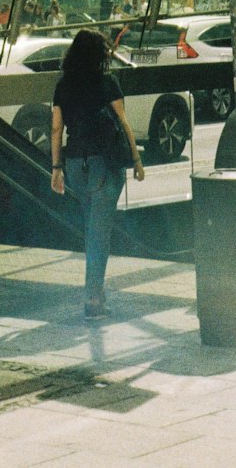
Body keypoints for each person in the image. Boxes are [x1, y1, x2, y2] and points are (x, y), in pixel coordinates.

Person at [50, 28, 145, 319]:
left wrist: (56, 168)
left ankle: (97, 292)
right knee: (99, 234)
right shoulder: (108, 83)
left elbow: (56, 129)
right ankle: (93, 299)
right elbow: (123, 122)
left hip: (77, 166)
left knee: (93, 228)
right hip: (105, 164)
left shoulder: (63, 86)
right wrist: (137, 160)